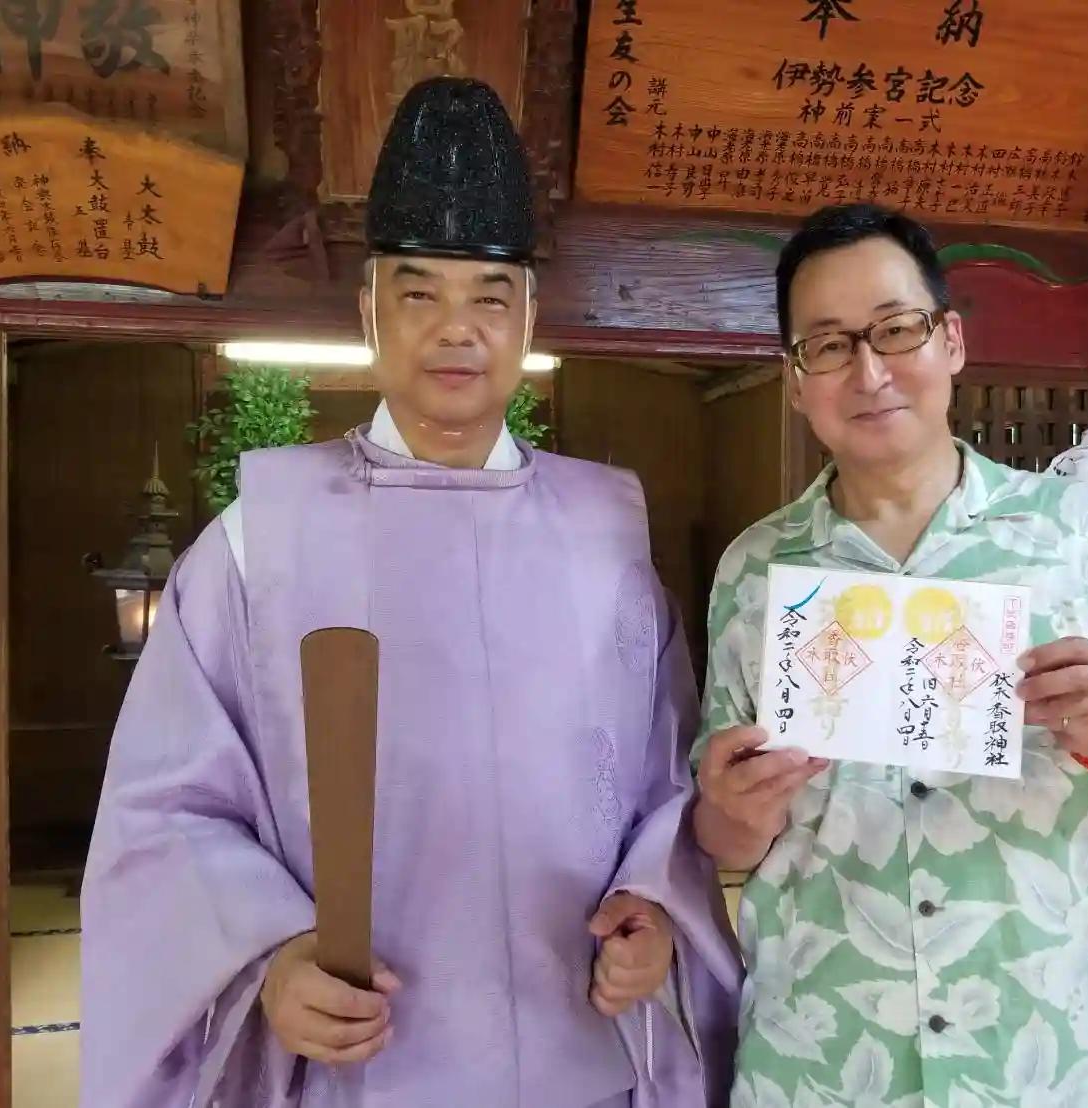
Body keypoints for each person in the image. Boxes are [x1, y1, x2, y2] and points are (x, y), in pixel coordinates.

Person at [80, 76, 741, 1108]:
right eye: (419, 293)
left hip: (583, 1048)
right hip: (359, 1062)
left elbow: (666, 783)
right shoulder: (263, 537)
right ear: (368, 312)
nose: (455, 331)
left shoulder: (604, 534)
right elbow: (163, 813)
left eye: (489, 297)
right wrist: (268, 959)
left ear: (528, 316)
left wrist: (652, 915)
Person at [689, 203, 1088, 1108]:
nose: (868, 371)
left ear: (949, 339)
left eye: (895, 329)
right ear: (795, 380)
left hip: (1046, 1050)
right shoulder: (757, 568)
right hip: (827, 1053)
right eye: (827, 345)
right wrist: (733, 810)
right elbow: (724, 838)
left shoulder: (1075, 532)